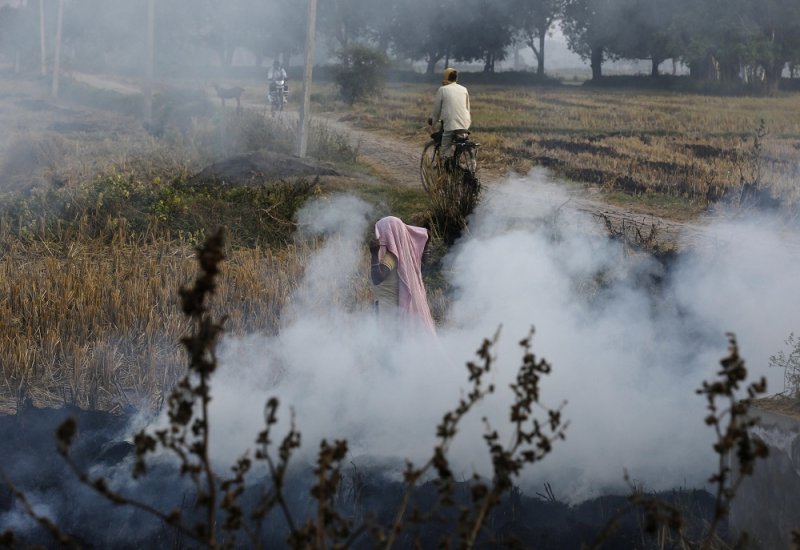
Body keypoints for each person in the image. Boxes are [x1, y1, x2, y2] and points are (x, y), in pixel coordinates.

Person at [369, 216, 436, 334]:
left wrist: (374, 255)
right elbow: (420, 268)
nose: (378, 236)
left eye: (380, 232)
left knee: (386, 348)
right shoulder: (403, 256)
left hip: (387, 313)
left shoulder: (391, 257)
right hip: (388, 310)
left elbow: (377, 278)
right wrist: (426, 246)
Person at [428, 67, 471, 167]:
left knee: (445, 146)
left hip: (450, 124)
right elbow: (467, 108)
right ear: (456, 78)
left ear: (446, 77)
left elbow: (437, 110)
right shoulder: (464, 89)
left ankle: (445, 166)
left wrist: (433, 121)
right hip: (465, 123)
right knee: (460, 141)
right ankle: (456, 162)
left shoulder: (442, 90)